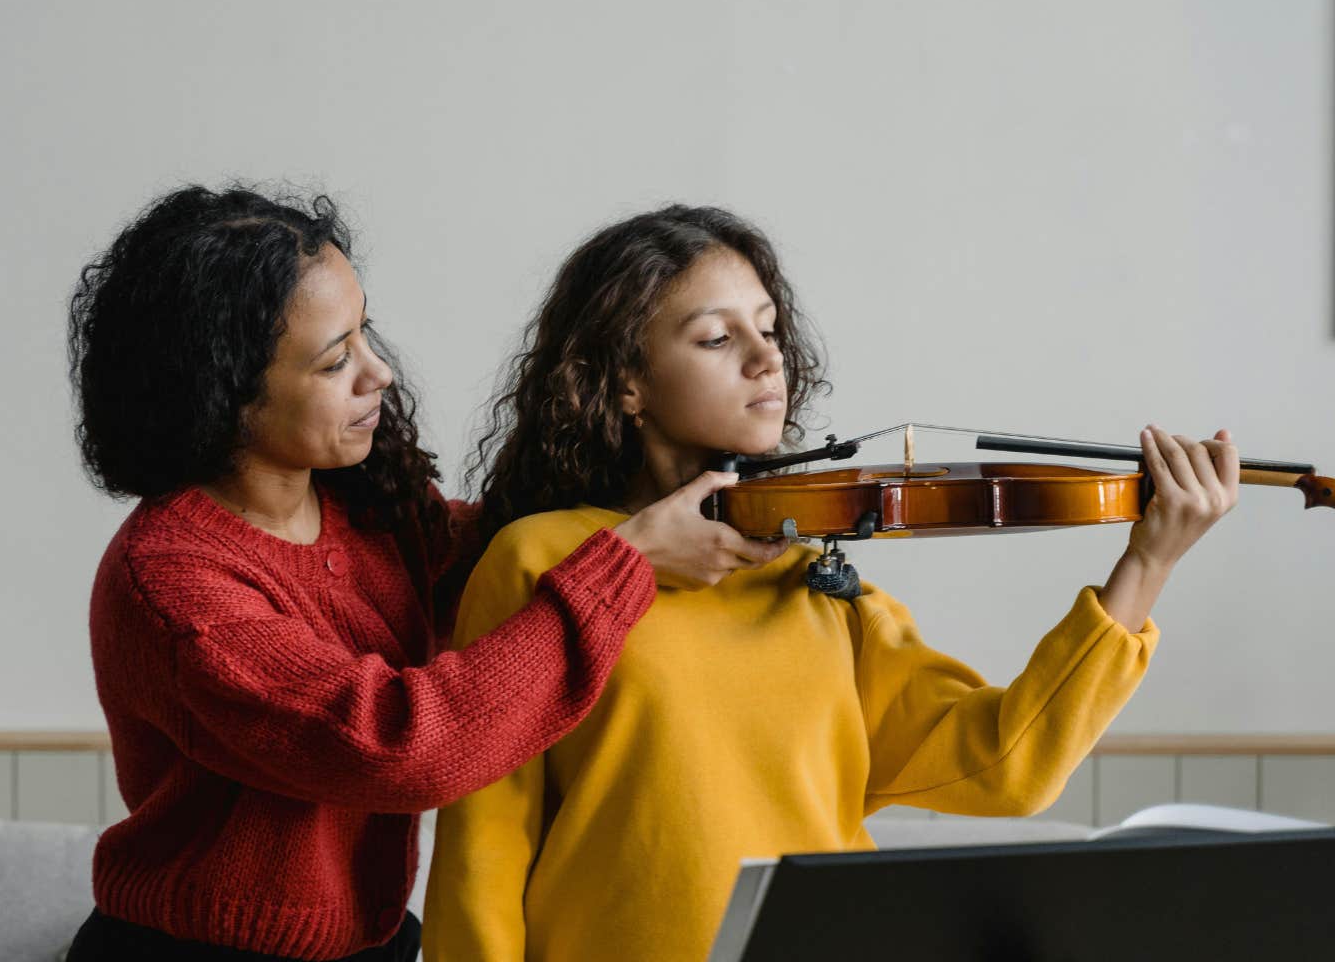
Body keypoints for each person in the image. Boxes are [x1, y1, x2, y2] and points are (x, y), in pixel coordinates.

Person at [423, 205, 1239, 961]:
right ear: (624, 382)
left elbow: (1006, 768)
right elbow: (483, 858)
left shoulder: (812, 574)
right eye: (716, 338)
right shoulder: (543, 561)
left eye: (769, 328)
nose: (765, 357)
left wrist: (1148, 564)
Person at [63, 187, 785, 962]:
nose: (379, 373)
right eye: (336, 359)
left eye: (365, 332)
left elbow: (514, 553)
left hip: (372, 944)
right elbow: (399, 747)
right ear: (221, 395)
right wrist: (629, 564)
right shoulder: (172, 584)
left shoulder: (368, 512)